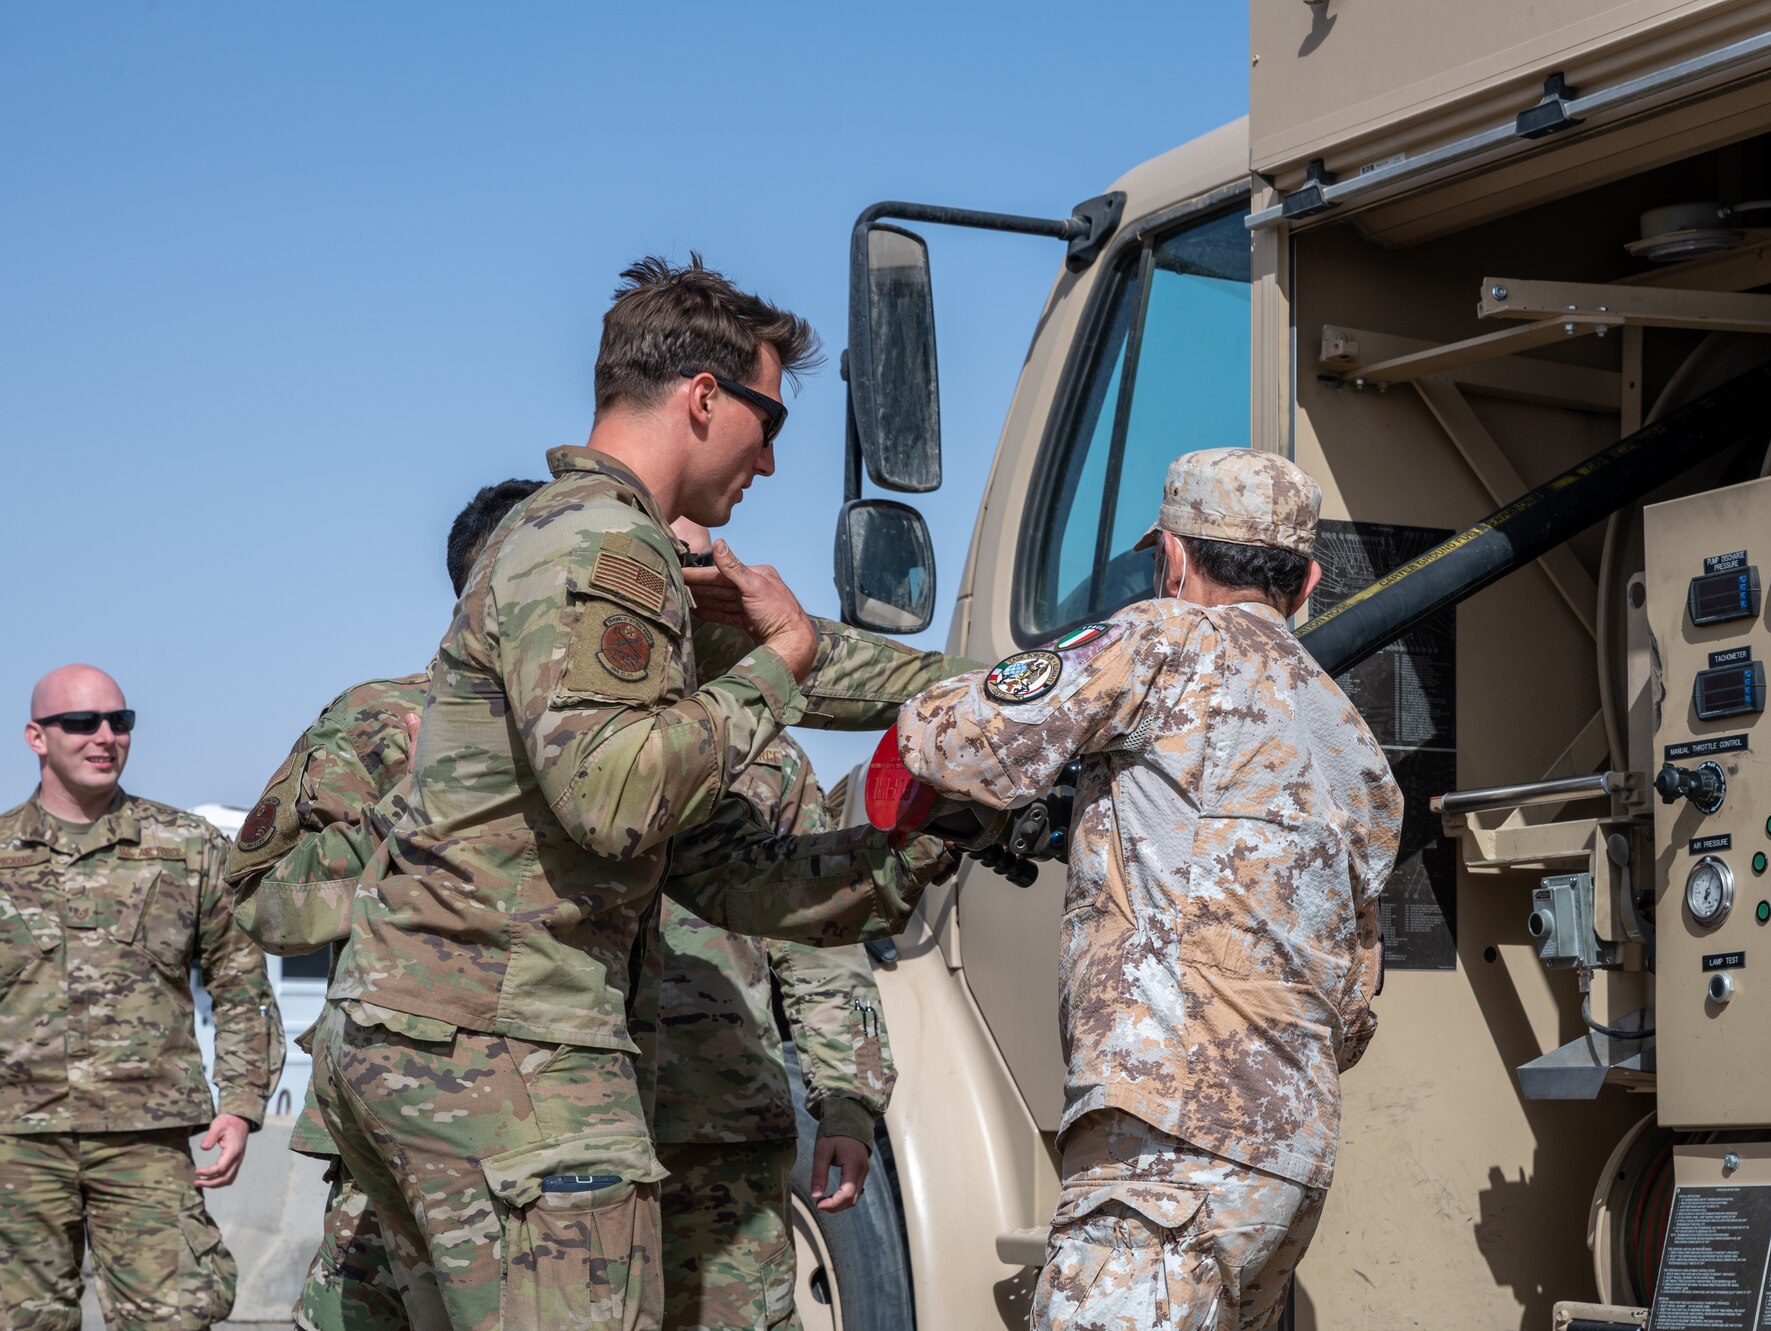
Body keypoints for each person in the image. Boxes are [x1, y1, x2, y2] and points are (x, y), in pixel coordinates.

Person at [306, 255, 964, 1331]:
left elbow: (811, 674)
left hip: (439, 1044)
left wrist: (1013, 692)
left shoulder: (571, 535)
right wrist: (777, 667)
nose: (768, 460)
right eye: (770, 421)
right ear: (706, 397)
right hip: (513, 1057)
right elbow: (617, 794)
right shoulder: (602, 542)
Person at [896, 448, 1405, 1331]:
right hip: (1288, 1165)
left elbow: (955, 740)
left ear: (1170, 558)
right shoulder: (1355, 742)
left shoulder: (1164, 640)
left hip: (1162, 1151)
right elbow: (1355, 1008)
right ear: (1310, 580)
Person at [224, 477, 543, 1331]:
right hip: (403, 1138)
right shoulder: (380, 720)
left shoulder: (601, 733)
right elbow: (264, 902)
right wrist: (400, 812)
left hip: (568, 1135)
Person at [653, 520, 896, 1331]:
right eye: (675, 562)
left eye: (705, 565)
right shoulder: (555, 728)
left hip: (723, 1139)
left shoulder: (769, 760)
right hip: (573, 1131)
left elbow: (819, 940)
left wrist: (848, 1104)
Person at [0, 664, 281, 1330]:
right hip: (16, 1142)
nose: (105, 736)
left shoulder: (186, 849)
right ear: (37, 736)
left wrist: (240, 1104)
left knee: (174, 1316)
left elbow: (241, 984)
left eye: (119, 721)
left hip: (145, 1141)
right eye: (81, 722)